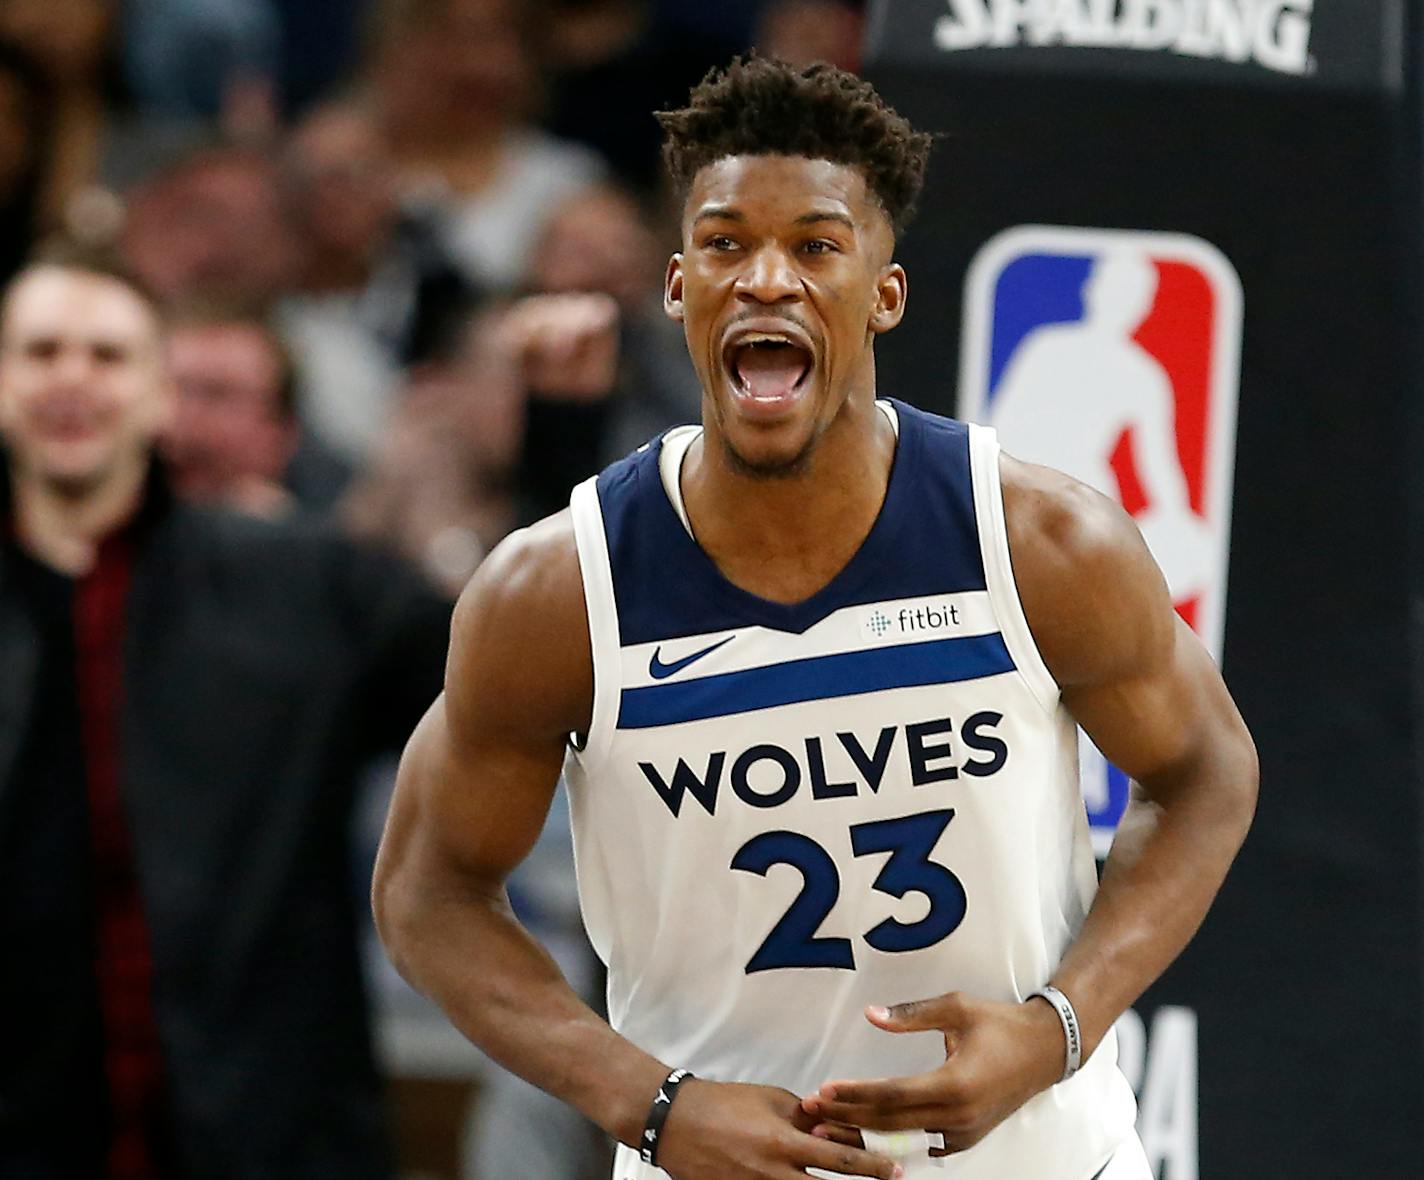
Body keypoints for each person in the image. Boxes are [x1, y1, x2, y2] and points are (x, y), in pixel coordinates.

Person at [373, 58, 1258, 1180]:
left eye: (815, 244)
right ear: (676, 285)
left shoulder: (1036, 540)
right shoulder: (556, 588)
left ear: (881, 292)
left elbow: (1207, 771)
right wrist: (648, 1102)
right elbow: (426, 889)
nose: (766, 279)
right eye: (726, 243)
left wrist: (1054, 1029)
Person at [0, 245, 450, 1178]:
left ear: (162, 396)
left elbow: (505, 672)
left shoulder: (301, 582)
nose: (72, 379)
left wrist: (562, 438)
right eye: (41, 352)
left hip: (265, 1135)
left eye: (108, 355)